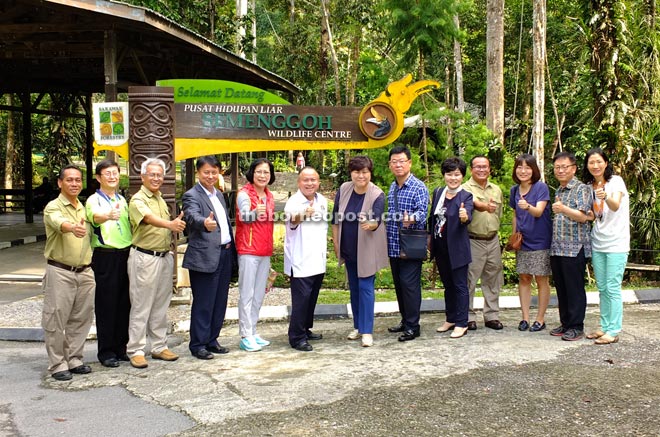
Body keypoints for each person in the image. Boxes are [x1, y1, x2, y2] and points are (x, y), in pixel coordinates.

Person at [127, 158, 186, 368]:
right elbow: (148, 219)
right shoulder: (137, 200)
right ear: (142, 177)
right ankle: (135, 349)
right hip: (144, 258)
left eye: (159, 175)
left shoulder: (160, 198)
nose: (156, 178)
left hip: (163, 257)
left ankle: (159, 346)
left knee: (161, 305)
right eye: (152, 174)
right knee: (141, 305)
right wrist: (171, 224)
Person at [42, 165, 95, 381]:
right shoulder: (53, 207)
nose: (74, 183)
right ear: (60, 183)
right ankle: (57, 364)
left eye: (78, 180)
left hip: (85, 271)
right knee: (56, 319)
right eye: (70, 180)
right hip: (60, 271)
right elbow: (58, 223)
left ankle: (74, 359)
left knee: (81, 318)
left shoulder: (83, 207)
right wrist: (72, 227)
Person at [182, 156, 235, 360]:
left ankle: (212, 340)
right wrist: (204, 222)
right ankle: (198, 344)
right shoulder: (191, 195)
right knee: (204, 302)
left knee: (219, 301)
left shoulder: (219, 195)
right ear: (198, 173)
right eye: (206, 172)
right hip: (204, 256)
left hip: (224, 253)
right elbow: (191, 216)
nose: (211, 176)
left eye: (214, 172)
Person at [332, 157, 388, 347]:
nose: (361, 175)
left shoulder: (377, 194)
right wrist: (337, 244)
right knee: (354, 289)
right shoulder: (344, 189)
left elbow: (377, 218)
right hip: (348, 249)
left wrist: (370, 224)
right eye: (357, 172)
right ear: (351, 173)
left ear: (370, 173)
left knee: (365, 288)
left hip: (366, 250)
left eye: (365, 172)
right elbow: (335, 219)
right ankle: (357, 326)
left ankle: (367, 331)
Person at [85, 159, 132, 368]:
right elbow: (95, 217)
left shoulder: (122, 198)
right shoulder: (94, 200)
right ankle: (106, 351)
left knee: (124, 303)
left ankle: (121, 348)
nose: (112, 177)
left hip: (126, 254)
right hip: (106, 256)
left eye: (115, 173)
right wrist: (107, 215)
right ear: (98, 178)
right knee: (106, 304)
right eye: (107, 174)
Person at [582, 148, 629, 344]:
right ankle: (604, 326)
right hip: (598, 241)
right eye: (591, 162)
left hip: (617, 242)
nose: (595, 166)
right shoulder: (588, 186)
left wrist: (604, 196)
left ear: (606, 163)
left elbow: (615, 205)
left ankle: (614, 330)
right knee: (602, 288)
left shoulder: (615, 181)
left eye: (598, 162)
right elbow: (593, 215)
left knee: (612, 287)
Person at [385, 145, 429, 342]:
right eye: (394, 162)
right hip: (394, 244)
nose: (398, 165)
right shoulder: (393, 186)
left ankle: (413, 326)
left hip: (411, 245)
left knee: (410, 286)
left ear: (409, 163)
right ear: (390, 165)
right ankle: (405, 320)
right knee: (400, 286)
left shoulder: (418, 187)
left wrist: (411, 217)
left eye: (402, 161)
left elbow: (423, 212)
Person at [550, 151, 593, 341]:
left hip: (575, 248)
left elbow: (584, 217)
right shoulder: (559, 190)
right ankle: (566, 322)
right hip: (558, 247)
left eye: (564, 167)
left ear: (574, 169)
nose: (560, 170)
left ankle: (576, 326)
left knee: (574, 288)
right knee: (562, 288)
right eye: (557, 167)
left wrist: (563, 209)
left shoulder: (581, 189)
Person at [285, 167, 328, 352]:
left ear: (318, 182)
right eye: (306, 180)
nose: (310, 183)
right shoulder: (293, 202)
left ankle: (306, 329)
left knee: (311, 299)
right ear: (299, 182)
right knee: (301, 301)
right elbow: (292, 220)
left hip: (317, 259)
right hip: (300, 260)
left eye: (313, 180)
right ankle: (297, 337)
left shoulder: (322, 200)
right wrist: (303, 214)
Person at [429, 158, 474, 339]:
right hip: (440, 246)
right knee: (448, 285)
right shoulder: (439, 192)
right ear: (444, 175)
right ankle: (450, 318)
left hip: (457, 248)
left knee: (460, 286)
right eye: (449, 174)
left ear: (462, 176)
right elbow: (433, 218)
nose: (453, 178)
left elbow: (467, 216)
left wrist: (464, 216)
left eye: (457, 174)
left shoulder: (466, 196)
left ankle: (462, 323)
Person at [235, 158, 275, 352]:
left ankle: (253, 330)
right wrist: (253, 212)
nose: (262, 175)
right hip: (248, 251)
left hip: (264, 251)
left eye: (266, 172)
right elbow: (243, 217)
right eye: (259, 171)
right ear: (252, 173)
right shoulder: (244, 194)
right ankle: (245, 335)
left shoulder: (269, 195)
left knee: (259, 294)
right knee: (247, 294)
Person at [509, 154, 552, 332]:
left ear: (534, 170)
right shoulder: (514, 190)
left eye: (527, 167)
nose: (523, 171)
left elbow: (539, 212)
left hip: (540, 240)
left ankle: (540, 319)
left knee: (541, 278)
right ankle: (525, 318)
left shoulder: (541, 188)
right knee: (524, 278)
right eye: (520, 167)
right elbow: (514, 215)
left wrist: (528, 206)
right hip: (523, 240)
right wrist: (513, 237)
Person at [462, 156, 504, 331]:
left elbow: (499, 215)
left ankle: (492, 315)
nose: (481, 169)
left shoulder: (496, 190)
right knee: (469, 280)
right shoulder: (464, 188)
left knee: (493, 279)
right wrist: (484, 206)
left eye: (485, 166)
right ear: (471, 169)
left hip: (493, 240)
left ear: (490, 169)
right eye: (477, 167)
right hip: (473, 240)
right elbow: (473, 203)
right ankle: (469, 316)